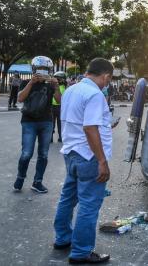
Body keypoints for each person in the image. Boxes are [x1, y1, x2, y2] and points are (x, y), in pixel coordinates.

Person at [53, 58, 114, 264]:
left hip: (71, 152)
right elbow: (89, 128)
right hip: (88, 157)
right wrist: (102, 161)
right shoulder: (95, 94)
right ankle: (81, 252)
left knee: (67, 199)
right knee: (89, 205)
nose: (107, 84)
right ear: (105, 75)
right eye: (108, 80)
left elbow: (79, 122)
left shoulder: (70, 90)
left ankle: (62, 238)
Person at [13, 56, 61, 194]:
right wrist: (31, 83)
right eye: (40, 70)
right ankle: (20, 178)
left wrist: (56, 86)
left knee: (44, 155)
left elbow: (59, 100)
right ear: (34, 69)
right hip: (29, 121)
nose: (42, 73)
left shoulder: (51, 85)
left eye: (45, 70)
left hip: (46, 121)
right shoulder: (26, 82)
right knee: (26, 153)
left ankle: (37, 182)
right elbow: (20, 98)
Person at [51, 71, 67, 143]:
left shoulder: (65, 87)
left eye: (59, 79)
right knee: (51, 123)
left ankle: (61, 137)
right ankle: (50, 137)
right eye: (56, 78)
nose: (58, 80)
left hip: (61, 107)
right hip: (52, 106)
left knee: (60, 123)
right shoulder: (52, 86)